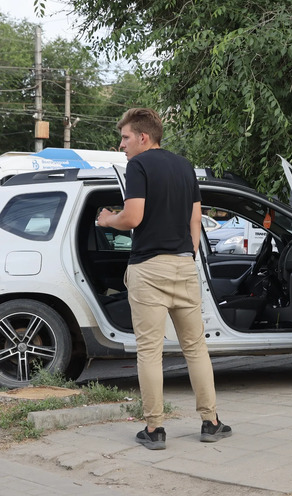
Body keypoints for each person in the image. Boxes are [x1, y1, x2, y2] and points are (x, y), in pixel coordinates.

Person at [96, 108, 230, 450]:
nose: (121, 144)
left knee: (150, 351)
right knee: (196, 348)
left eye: (125, 137)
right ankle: (211, 422)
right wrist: (188, 255)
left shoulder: (138, 165)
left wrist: (108, 220)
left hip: (149, 268)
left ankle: (155, 430)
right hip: (185, 265)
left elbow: (134, 217)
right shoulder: (185, 166)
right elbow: (196, 219)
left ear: (143, 137)